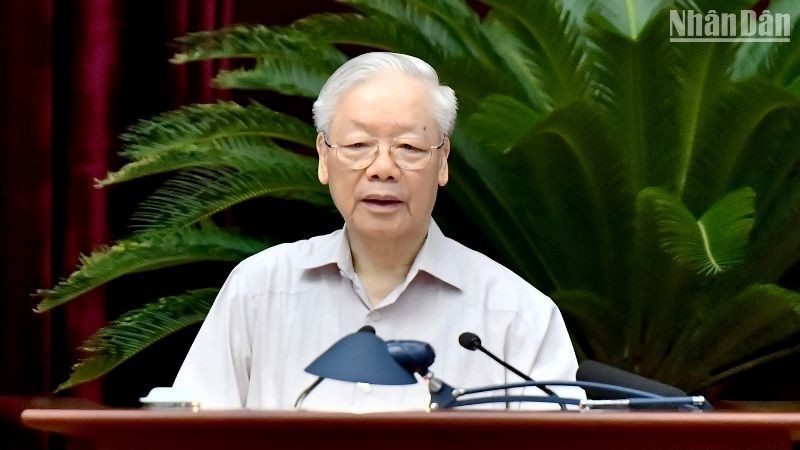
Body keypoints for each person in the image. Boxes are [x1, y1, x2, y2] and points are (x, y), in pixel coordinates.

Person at [173, 52, 582, 411]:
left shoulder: (519, 315)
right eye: (357, 145)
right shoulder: (258, 291)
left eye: (408, 147)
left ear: (442, 163)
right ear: (323, 158)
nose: (382, 168)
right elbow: (186, 437)